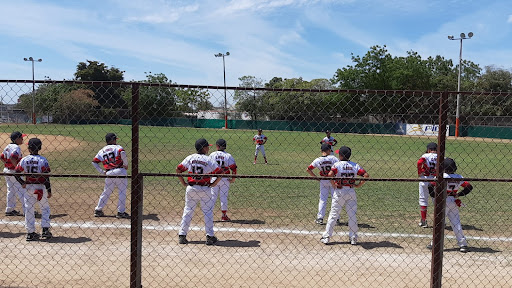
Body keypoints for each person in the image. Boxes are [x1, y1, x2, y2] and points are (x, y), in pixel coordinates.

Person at [176, 138, 223, 245]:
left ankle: (182, 235)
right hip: (205, 189)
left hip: (191, 188)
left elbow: (178, 169)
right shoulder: (208, 160)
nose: (208, 148)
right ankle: (210, 236)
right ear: (203, 148)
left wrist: (183, 182)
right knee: (207, 212)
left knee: (188, 210)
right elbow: (220, 173)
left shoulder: (190, 157)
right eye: (207, 146)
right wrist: (214, 183)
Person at [320, 146, 369, 245]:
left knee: (334, 214)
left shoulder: (337, 165)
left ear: (341, 155)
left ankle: (326, 237)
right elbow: (366, 175)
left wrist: (333, 184)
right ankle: (353, 237)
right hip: (351, 191)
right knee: (352, 215)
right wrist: (359, 185)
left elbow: (329, 175)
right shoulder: (355, 165)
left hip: (340, 191)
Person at [426, 158, 472, 253]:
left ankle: (435, 243)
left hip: (442, 200)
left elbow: (430, 185)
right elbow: (469, 187)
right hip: (453, 201)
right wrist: (459, 194)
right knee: (456, 223)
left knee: (439, 223)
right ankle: (463, 244)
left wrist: (434, 196)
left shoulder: (442, 176)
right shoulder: (459, 177)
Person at [14, 138, 52, 241]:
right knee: (45, 208)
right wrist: (49, 190)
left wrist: (22, 183)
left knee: (29, 209)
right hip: (40, 187)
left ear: (29, 148)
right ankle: (45, 230)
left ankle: (30, 233)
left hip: (28, 187)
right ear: (40, 148)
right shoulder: (43, 160)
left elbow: (16, 173)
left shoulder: (24, 159)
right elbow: (46, 177)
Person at [92, 133, 129, 219]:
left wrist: (102, 171)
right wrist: (126, 164)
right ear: (113, 140)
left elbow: (94, 162)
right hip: (120, 171)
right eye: (115, 139)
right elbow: (122, 153)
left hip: (109, 173)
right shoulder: (118, 147)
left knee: (106, 192)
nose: (116, 141)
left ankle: (98, 209)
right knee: (122, 191)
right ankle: (121, 212)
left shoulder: (102, 150)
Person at [307, 143, 340, 225]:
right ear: (328, 150)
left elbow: (308, 169)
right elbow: (339, 167)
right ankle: (336, 219)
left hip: (323, 180)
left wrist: (316, 178)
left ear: (321, 151)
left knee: (322, 199)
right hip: (333, 180)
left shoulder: (318, 159)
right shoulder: (333, 158)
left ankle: (320, 218)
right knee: (335, 199)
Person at [209, 139, 237, 221]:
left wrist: (209, 178)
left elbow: (208, 167)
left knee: (212, 197)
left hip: (214, 178)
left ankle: (209, 215)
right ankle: (224, 215)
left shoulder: (212, 154)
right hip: (225, 179)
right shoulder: (228, 156)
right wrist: (233, 179)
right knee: (223, 197)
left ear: (217, 146)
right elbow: (234, 169)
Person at [2, 131, 26, 216]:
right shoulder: (16, 147)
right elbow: (13, 157)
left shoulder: (8, 146)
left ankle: (9, 209)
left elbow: (1, 157)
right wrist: (17, 168)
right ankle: (27, 210)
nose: (22, 139)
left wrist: (7, 163)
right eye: (21, 138)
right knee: (22, 190)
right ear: (17, 139)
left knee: (11, 190)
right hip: (13, 172)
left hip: (6, 171)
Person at [417, 142, 438, 228]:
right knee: (436, 200)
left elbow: (419, 163)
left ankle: (423, 221)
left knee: (423, 200)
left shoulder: (425, 155)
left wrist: (420, 172)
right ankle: (439, 221)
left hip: (424, 179)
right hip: (435, 180)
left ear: (429, 150)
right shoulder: (440, 156)